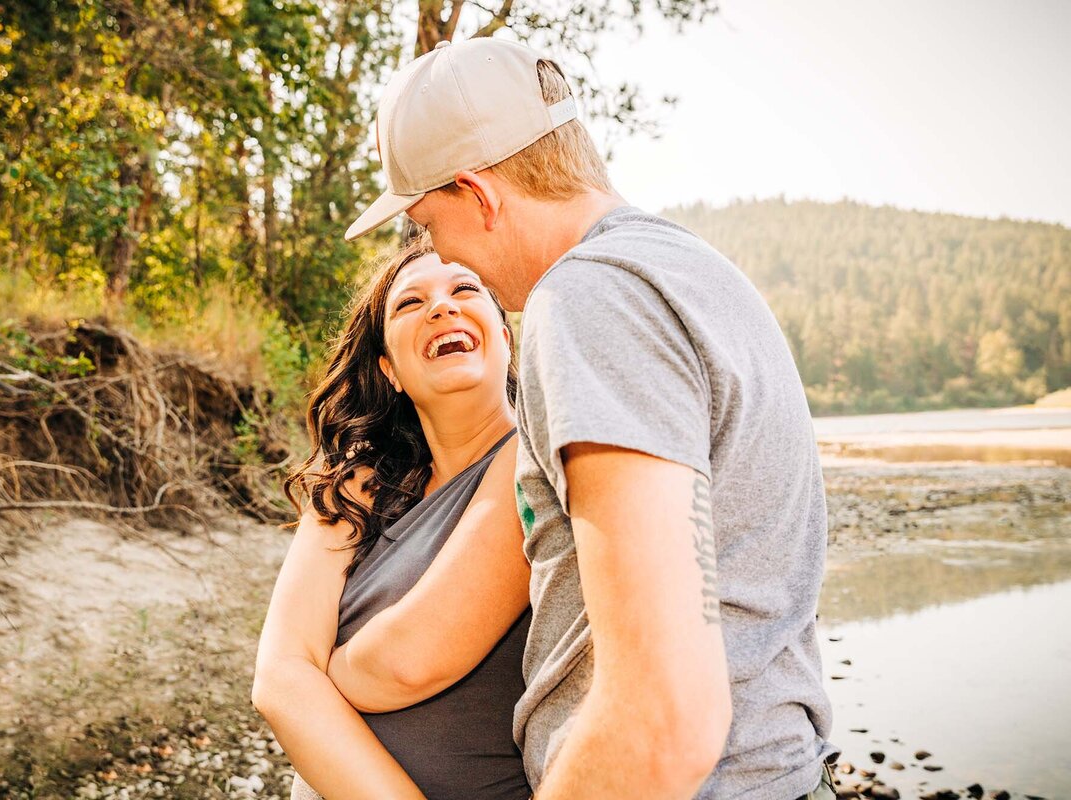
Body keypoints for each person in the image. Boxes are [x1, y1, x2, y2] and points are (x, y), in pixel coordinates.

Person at [343, 37, 839, 800]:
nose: (436, 250)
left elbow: (662, 718)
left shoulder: (586, 300)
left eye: (427, 221)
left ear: (479, 194)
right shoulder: (691, 272)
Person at [250, 236, 534, 800]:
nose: (442, 307)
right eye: (410, 303)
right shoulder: (354, 484)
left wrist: (320, 670)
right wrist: (302, 673)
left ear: (504, 340)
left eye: (464, 288)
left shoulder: (536, 460)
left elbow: (409, 662)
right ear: (392, 370)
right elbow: (278, 682)